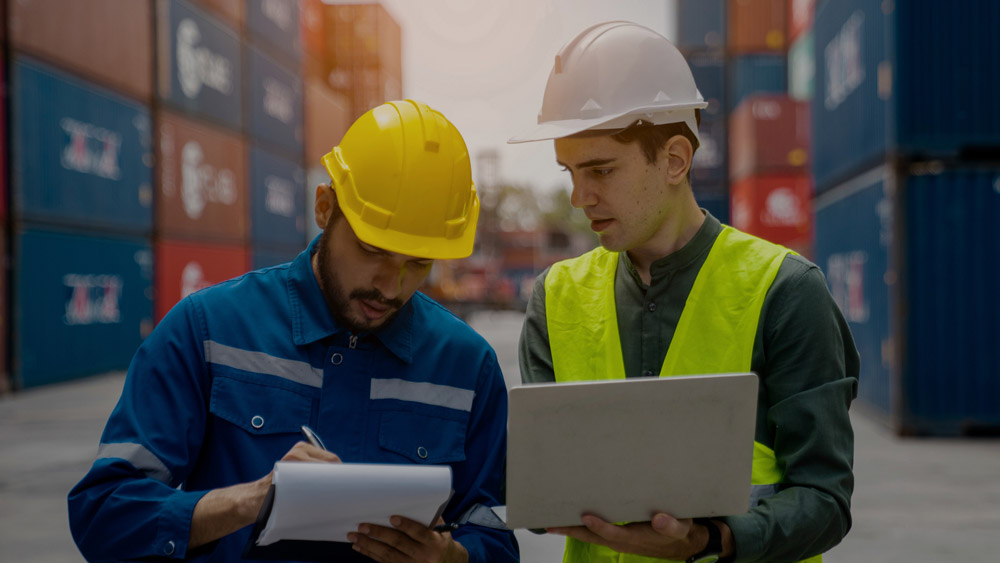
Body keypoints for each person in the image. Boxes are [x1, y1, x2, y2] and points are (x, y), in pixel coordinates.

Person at [68, 100, 518, 563]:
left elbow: (494, 534)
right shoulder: (208, 331)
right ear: (325, 208)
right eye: (373, 250)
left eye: (417, 264)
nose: (390, 286)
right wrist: (248, 501)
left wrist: (451, 559)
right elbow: (103, 512)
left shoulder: (468, 366)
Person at [509, 22, 858, 563]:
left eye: (600, 170)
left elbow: (825, 500)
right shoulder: (555, 299)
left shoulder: (786, 291)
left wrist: (710, 541)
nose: (580, 197)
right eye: (570, 172)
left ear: (674, 159)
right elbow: (540, 488)